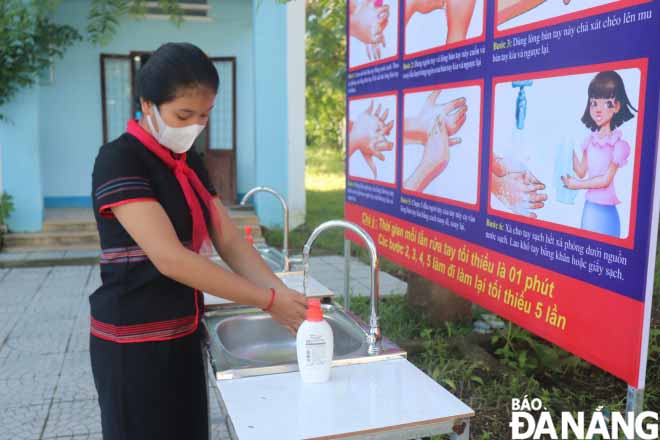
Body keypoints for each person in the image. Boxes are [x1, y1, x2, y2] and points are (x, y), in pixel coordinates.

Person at [89, 42, 307, 440]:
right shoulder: (120, 160)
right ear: (147, 105)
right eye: (183, 115)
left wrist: (283, 293)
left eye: (203, 116)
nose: (193, 126)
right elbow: (172, 259)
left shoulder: (188, 160)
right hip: (134, 342)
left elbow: (227, 236)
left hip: (183, 331)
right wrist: (268, 302)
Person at [562, 70, 636, 237]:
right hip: (589, 210)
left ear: (616, 106)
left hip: (606, 212)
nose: (598, 110)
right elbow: (581, 171)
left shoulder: (619, 145)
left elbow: (605, 180)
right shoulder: (589, 141)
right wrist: (568, 149)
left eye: (606, 103)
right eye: (594, 103)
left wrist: (576, 185)